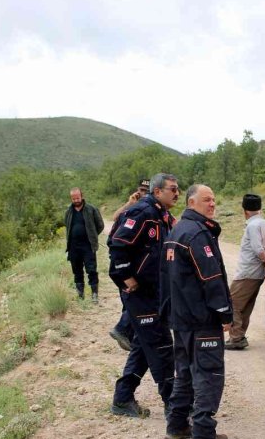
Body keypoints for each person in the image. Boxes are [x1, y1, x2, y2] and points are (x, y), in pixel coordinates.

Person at [163, 184, 234, 439]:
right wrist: (225, 313)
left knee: (184, 373)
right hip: (201, 319)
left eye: (214, 199)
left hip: (181, 320)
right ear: (192, 202)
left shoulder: (176, 231)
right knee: (208, 373)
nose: (212, 204)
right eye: (207, 200)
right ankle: (203, 434)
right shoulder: (196, 234)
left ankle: (177, 425)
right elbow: (211, 278)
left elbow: (165, 280)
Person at [108, 173, 180, 418]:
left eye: (178, 189)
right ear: (157, 191)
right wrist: (125, 277)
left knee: (143, 345)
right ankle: (174, 407)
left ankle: (122, 398)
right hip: (140, 294)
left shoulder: (161, 215)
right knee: (161, 346)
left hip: (155, 292)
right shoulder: (142, 213)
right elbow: (117, 245)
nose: (177, 193)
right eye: (172, 189)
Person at [226, 193, 265, 350]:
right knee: (245, 305)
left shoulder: (252, 226)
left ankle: (236, 338)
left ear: (245, 211)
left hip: (247, 272)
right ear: (260, 208)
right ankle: (239, 335)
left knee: (232, 303)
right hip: (258, 273)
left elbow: (258, 249)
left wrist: (264, 259)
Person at [109, 179, 151, 351]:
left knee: (132, 300)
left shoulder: (152, 209)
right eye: (141, 189)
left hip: (137, 262)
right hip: (126, 263)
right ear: (137, 190)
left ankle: (129, 334)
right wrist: (129, 203)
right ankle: (124, 330)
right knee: (133, 299)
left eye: (147, 190)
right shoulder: (133, 209)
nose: (144, 193)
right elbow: (115, 219)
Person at [64, 188, 105, 303]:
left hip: (88, 246)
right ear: (71, 198)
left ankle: (94, 295)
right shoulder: (69, 211)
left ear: (82, 196)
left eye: (77, 197)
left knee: (91, 270)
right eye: (73, 198)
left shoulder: (91, 209)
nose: (76, 200)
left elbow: (100, 225)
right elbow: (67, 226)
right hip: (73, 247)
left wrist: (92, 235)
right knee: (77, 271)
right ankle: (80, 296)